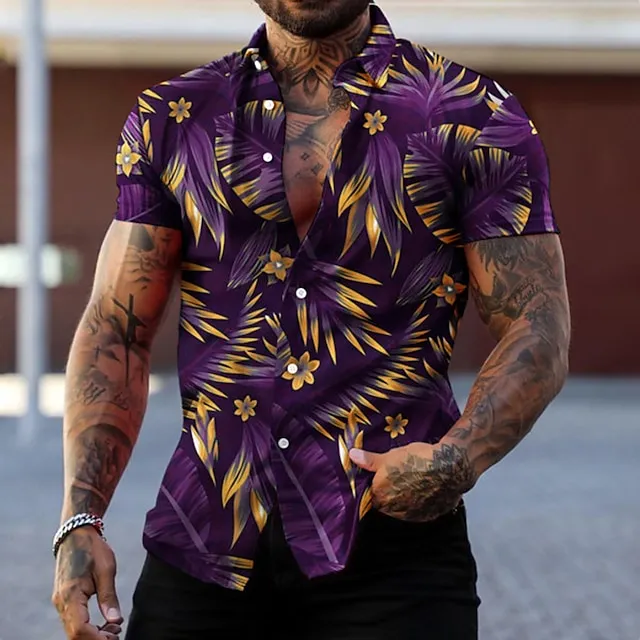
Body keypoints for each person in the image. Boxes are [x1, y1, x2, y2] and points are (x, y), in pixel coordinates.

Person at [51, 1, 571, 638]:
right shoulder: (172, 119)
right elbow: (116, 327)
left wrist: (457, 460)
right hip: (204, 539)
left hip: (392, 550)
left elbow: (538, 321)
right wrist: (80, 520)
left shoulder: (473, 116)